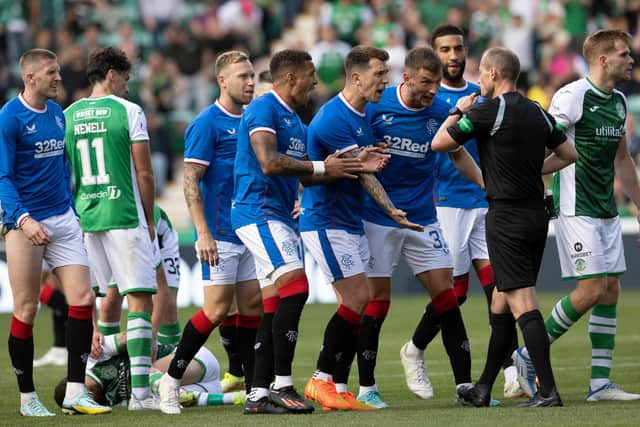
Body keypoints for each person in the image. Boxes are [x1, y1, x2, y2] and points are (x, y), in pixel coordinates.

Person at [431, 46, 578, 407]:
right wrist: (531, 171)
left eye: (481, 73)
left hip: (506, 217)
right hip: (536, 216)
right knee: (500, 302)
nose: (478, 79)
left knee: (522, 302)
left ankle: (548, 390)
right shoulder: (537, 112)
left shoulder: (486, 111)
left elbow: (440, 143)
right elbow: (569, 154)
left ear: (494, 74)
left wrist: (456, 110)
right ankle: (483, 388)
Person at [230, 49, 367, 414]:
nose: (315, 82)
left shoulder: (295, 120)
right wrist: (323, 167)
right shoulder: (264, 108)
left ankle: (257, 395)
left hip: (279, 215)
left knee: (274, 302)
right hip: (257, 212)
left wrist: (352, 164)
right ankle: (284, 385)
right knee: (297, 287)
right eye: (311, 75)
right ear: (290, 78)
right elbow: (269, 162)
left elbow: (310, 171)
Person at [513, 29, 640, 402]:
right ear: (602, 60)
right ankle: (526, 356)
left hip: (605, 209)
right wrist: (535, 182)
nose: (631, 60)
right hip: (575, 207)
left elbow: (622, 159)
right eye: (623, 54)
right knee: (591, 290)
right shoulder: (572, 96)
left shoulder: (618, 101)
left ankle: (599, 384)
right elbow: (541, 146)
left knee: (610, 289)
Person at [352, 45, 481, 408]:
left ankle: (464, 387)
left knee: (448, 297)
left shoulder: (442, 110)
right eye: (426, 82)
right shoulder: (377, 107)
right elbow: (350, 155)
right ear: (406, 78)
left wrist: (486, 183)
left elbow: (458, 155)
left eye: (437, 83)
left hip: (423, 218)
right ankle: (366, 389)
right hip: (378, 217)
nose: (432, 90)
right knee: (378, 302)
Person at [399, 24, 522, 402]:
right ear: (432, 55)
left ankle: (512, 372)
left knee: (500, 289)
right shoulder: (430, 102)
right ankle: (414, 348)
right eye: (444, 50)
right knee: (456, 295)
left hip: (485, 205)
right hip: (446, 207)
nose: (452, 56)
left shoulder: (480, 95)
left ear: (467, 51)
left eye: (457, 49)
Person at [300, 45, 423, 410]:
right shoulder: (335, 118)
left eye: (386, 74)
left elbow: (361, 160)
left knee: (356, 302)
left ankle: (338, 386)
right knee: (356, 300)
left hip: (348, 221)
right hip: (327, 221)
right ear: (356, 77)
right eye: (379, 75)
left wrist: (372, 150)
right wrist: (391, 210)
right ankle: (320, 379)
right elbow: (361, 172)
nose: (385, 81)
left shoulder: (361, 116)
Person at [0, 48, 110, 416]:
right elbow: (2, 176)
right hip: (24, 222)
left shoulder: (58, 116)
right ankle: (27, 398)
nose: (59, 78)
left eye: (58, 71)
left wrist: (73, 211)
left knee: (82, 299)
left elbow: (63, 167)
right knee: (27, 307)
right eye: (52, 73)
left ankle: (76, 392)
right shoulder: (9, 119)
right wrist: (23, 219)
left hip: (63, 218)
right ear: (30, 78)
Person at [158, 50, 262, 415]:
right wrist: (201, 232)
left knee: (251, 307)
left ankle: (254, 388)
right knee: (217, 309)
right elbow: (190, 181)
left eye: (252, 76)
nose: (250, 82)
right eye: (242, 77)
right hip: (219, 232)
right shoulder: (207, 123)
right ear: (222, 81)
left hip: (251, 229)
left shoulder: (254, 120)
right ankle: (170, 382)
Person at [64, 46, 158, 410]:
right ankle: (140, 396)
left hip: (86, 218)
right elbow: (145, 173)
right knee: (139, 301)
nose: (127, 88)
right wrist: (149, 219)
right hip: (123, 214)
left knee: (105, 300)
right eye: (126, 79)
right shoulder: (129, 112)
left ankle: (100, 380)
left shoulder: (69, 115)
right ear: (112, 75)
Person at [54, 332, 245, 409]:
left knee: (142, 377)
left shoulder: (94, 360)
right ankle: (237, 396)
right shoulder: (108, 403)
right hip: (205, 387)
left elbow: (137, 334)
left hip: (193, 359)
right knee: (166, 397)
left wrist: (144, 358)